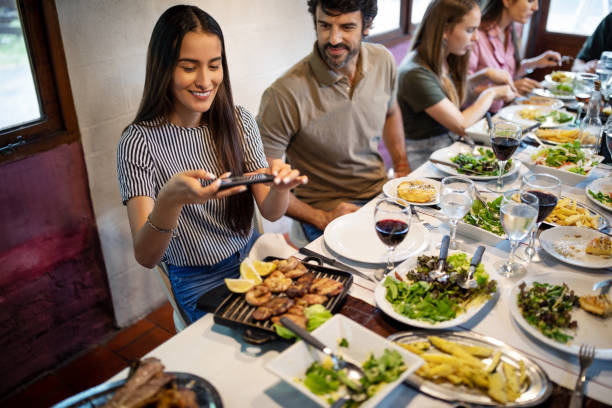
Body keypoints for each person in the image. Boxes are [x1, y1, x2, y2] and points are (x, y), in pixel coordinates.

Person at [116, 5, 306, 324]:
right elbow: (146, 257)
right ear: (163, 68)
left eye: (214, 66)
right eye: (189, 67)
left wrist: (280, 189)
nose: (205, 81)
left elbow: (271, 211)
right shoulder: (137, 142)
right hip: (198, 280)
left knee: (305, 316)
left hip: (254, 257)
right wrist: (169, 201)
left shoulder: (240, 121)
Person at [257, 0, 411, 242]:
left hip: (380, 195)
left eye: (347, 27)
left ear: (367, 25)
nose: (334, 39)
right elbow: (263, 180)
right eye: (325, 25)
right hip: (325, 210)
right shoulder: (283, 94)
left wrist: (402, 166)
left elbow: (391, 112)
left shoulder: (383, 60)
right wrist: (322, 217)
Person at [397, 0, 517, 169]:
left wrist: (484, 75)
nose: (476, 37)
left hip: (448, 149)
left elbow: (450, 95)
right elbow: (461, 124)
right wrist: (491, 93)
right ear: (445, 30)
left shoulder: (445, 59)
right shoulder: (415, 73)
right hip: (424, 161)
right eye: (470, 30)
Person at [468, 0, 561, 104]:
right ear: (507, 1)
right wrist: (509, 88)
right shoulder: (475, 36)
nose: (536, 7)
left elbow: (507, 72)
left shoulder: (510, 31)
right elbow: (463, 89)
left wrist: (535, 63)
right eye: (530, 1)